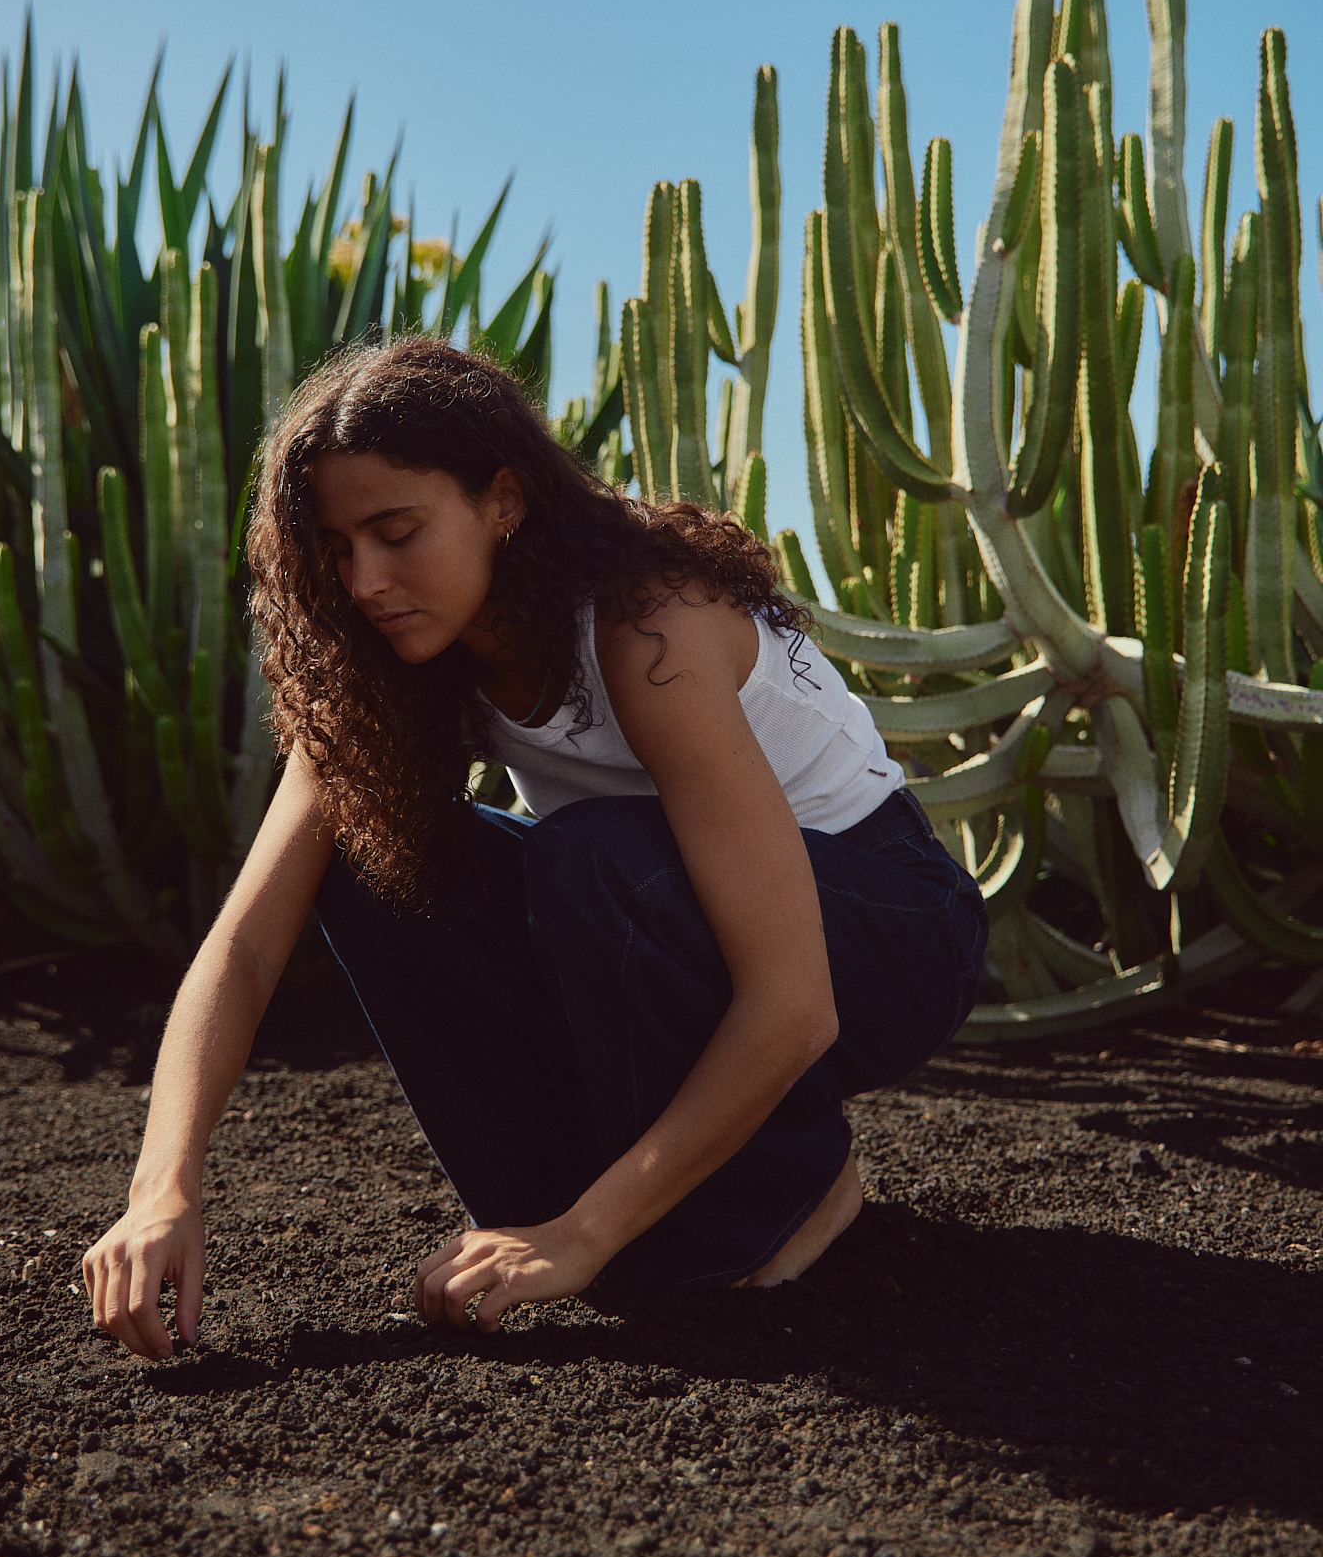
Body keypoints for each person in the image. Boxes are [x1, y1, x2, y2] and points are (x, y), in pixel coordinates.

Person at [83, 336, 987, 1359]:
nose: (368, 580)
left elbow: (795, 1000)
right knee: (367, 856)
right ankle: (567, 1202)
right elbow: (246, 943)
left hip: (891, 927)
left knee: (594, 854)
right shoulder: (391, 657)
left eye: (397, 531)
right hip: (658, 908)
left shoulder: (649, 620)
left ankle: (798, 1192)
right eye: (338, 548)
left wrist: (587, 1235)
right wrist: (160, 1186)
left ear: (502, 500)